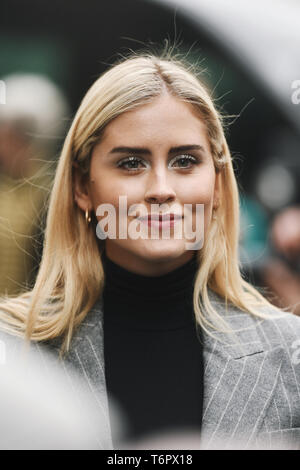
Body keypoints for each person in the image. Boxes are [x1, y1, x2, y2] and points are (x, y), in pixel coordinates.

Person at [0, 45, 300, 450]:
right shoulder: (12, 354)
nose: (161, 190)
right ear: (81, 187)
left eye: (184, 161)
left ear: (216, 183)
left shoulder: (290, 353)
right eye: (130, 163)